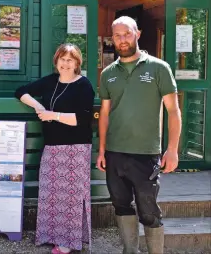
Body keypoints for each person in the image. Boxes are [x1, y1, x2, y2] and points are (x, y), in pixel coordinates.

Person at [97, 16, 181, 254]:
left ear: (138, 34)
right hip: (115, 153)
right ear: (112, 39)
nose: (122, 40)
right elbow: (104, 114)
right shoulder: (108, 73)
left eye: (127, 34)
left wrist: (172, 149)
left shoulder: (159, 68)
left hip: (146, 153)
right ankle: (130, 250)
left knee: (149, 210)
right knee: (121, 205)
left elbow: (174, 111)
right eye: (117, 36)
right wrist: (102, 150)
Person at [15, 44, 94, 254]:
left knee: (70, 197)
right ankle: (51, 235)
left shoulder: (84, 85)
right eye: (62, 59)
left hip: (75, 148)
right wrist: (38, 106)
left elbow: (83, 119)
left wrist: (54, 115)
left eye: (70, 60)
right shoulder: (51, 81)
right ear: (56, 60)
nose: (65, 63)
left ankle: (68, 242)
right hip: (52, 146)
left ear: (77, 63)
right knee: (51, 194)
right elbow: (21, 92)